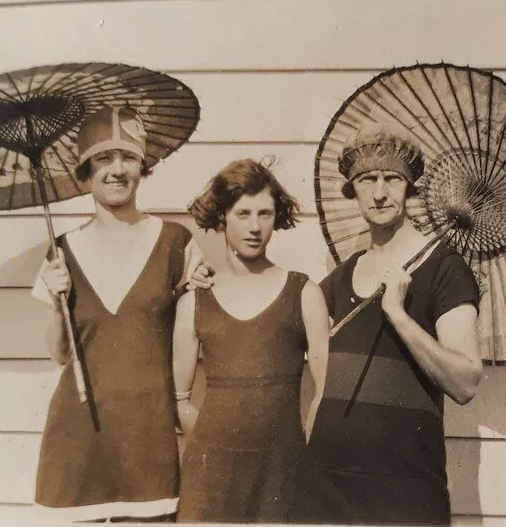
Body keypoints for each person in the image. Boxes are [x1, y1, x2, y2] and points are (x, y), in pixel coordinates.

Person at [287, 127, 483, 525]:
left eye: (392, 179)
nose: (379, 193)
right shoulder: (341, 278)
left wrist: (398, 314)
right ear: (352, 190)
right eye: (366, 180)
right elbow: (279, 326)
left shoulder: (445, 269)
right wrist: (204, 282)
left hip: (405, 490)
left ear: (409, 187)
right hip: (327, 486)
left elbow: (466, 382)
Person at [30, 106, 213, 523]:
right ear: (85, 171)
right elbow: (60, 354)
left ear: (143, 165)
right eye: (102, 158)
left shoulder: (175, 242)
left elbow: (193, 333)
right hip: (79, 439)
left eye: (127, 157)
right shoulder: (61, 250)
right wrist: (58, 300)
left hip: (147, 436)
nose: (116, 170)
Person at [171, 158, 330, 524]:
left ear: (278, 217)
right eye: (242, 214)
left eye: (265, 214)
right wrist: (219, 440)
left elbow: (324, 391)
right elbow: (179, 398)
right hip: (211, 478)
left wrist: (292, 453)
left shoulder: (303, 292)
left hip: (281, 474)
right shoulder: (195, 300)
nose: (255, 227)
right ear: (222, 216)